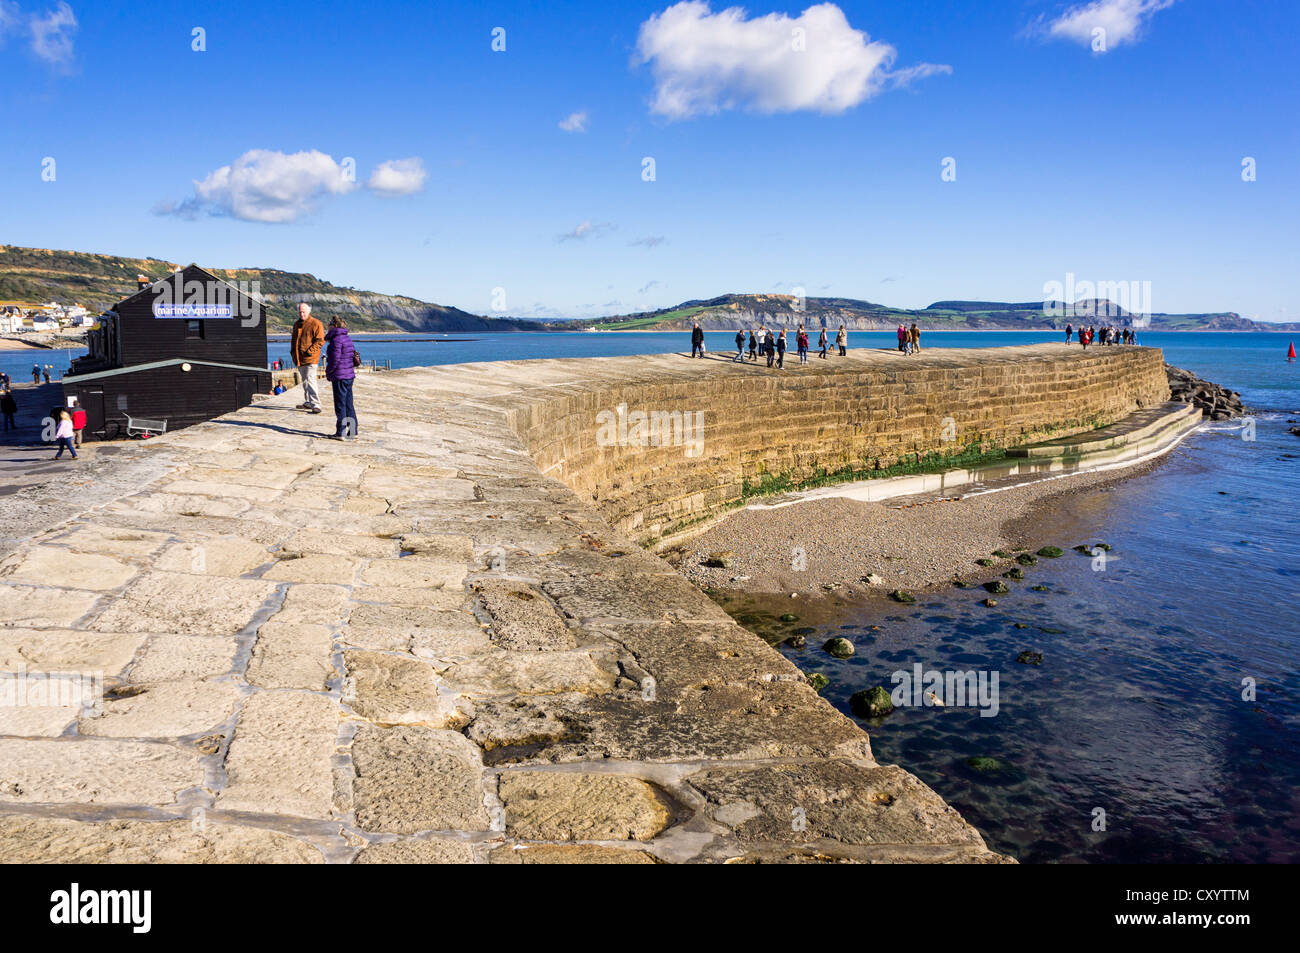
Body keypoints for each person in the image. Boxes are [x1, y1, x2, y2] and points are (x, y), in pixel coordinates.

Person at [324, 315, 358, 439]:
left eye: (328, 327)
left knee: (340, 405)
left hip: (339, 376)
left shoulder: (336, 340)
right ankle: (353, 431)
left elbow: (334, 360)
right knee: (349, 403)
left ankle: (341, 432)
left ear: (333, 327)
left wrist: (328, 373)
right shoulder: (347, 338)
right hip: (349, 375)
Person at [290, 302, 325, 414]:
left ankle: (316, 404)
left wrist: (310, 352)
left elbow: (320, 340)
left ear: (309, 311)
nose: (301, 314)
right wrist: (293, 353)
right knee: (304, 382)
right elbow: (293, 341)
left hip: (311, 358)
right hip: (299, 358)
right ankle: (308, 402)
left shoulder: (316, 323)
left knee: (310, 380)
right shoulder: (296, 324)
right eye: (300, 312)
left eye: (303, 311)